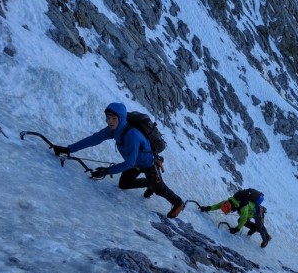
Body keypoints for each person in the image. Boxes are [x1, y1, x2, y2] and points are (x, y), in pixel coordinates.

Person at [52, 102, 185, 218]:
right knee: (124, 184)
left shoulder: (132, 135)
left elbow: (129, 163)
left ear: (120, 119)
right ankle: (149, 183)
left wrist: (107, 171)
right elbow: (93, 139)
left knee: (160, 189)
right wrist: (68, 149)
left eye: (114, 118)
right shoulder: (113, 130)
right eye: (108, 118)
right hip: (134, 163)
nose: (110, 121)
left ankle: (178, 203)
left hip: (148, 163)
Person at [199, 188, 272, 248]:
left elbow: (244, 219)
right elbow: (219, 205)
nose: (230, 212)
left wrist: (236, 229)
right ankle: (254, 228)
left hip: (258, 212)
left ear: (231, 208)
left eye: (230, 211)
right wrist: (207, 208)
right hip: (250, 212)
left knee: (260, 227)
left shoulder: (243, 207)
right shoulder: (229, 202)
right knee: (240, 220)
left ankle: (266, 239)